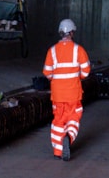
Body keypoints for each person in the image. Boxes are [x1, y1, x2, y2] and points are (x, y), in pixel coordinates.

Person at [42, 18, 91, 161]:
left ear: (60, 33)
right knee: (73, 118)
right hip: (73, 93)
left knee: (58, 120)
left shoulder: (52, 51)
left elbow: (47, 73)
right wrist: (77, 77)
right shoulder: (78, 49)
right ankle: (68, 137)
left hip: (57, 94)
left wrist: (57, 80)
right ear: (72, 32)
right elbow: (86, 71)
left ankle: (58, 151)